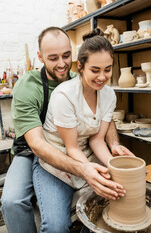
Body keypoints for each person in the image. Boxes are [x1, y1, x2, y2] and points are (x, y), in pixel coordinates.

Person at [1, 26, 133, 233]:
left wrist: (114, 149)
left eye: (66, 55)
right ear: (40, 57)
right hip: (33, 149)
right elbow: (37, 144)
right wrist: (85, 169)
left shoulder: (83, 77)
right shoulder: (29, 86)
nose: (62, 64)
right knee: (12, 201)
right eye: (53, 58)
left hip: (73, 149)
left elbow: (99, 119)